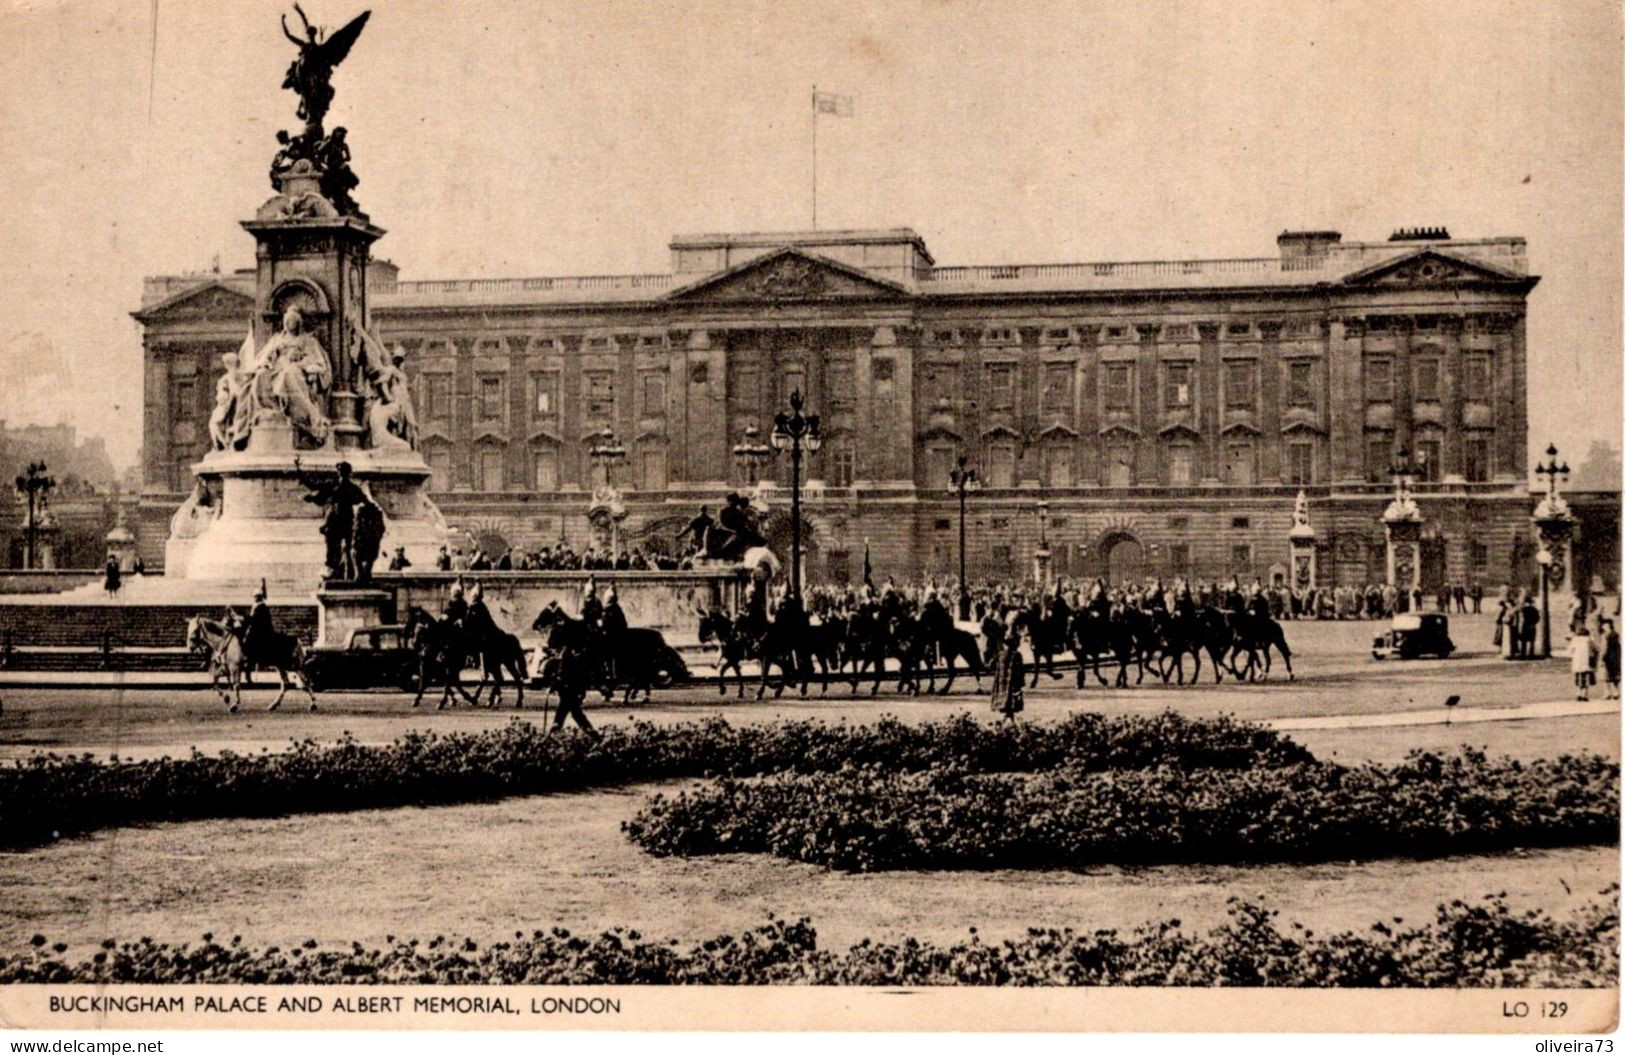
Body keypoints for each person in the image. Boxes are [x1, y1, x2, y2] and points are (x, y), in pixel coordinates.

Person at [990, 621, 1025, 722]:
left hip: (1002, 684)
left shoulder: (1001, 654)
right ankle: (1008, 719)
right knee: (1012, 703)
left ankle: (1007, 719)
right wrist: (1021, 683)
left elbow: (991, 665)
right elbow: (1020, 671)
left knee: (1006, 703)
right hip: (1013, 684)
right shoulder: (1017, 655)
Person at [1570, 625, 1596, 701]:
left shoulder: (1575, 640)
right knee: (1586, 679)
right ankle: (1584, 695)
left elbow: (1569, 650)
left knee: (1578, 679)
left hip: (1577, 662)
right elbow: (1597, 648)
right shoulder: (1589, 639)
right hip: (1587, 662)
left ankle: (1578, 694)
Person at [1601, 619, 1621, 701]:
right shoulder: (1616, 634)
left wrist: (1602, 657)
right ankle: (1616, 692)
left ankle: (1607, 693)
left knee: (1606, 675)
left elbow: (1604, 647)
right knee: (1614, 675)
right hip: (1616, 657)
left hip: (1608, 657)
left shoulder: (1605, 635)